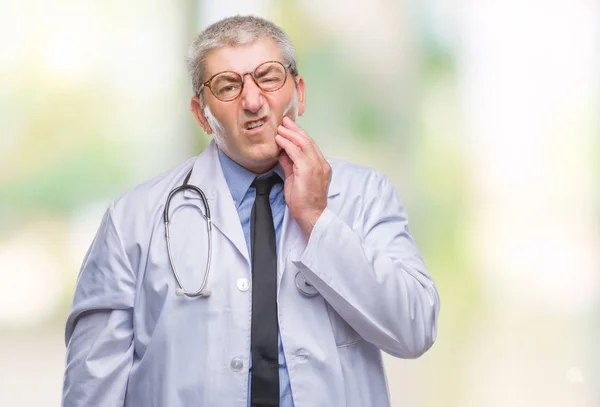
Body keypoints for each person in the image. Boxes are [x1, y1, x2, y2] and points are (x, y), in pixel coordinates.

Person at [62, 15, 439, 407]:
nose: (253, 101)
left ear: (300, 93)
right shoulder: (133, 220)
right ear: (201, 114)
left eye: (269, 77)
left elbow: (414, 330)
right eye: (228, 86)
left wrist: (317, 219)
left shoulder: (366, 195)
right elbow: (92, 390)